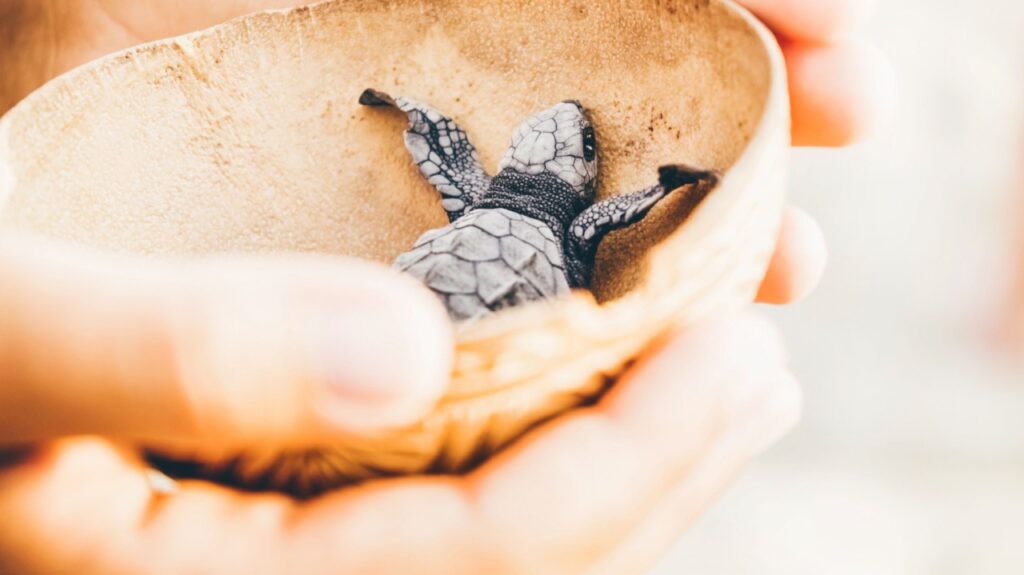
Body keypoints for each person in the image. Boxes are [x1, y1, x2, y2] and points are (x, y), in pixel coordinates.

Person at [0, 1, 895, 572]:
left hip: (427, 299)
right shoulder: (565, 223)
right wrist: (671, 187)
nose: (567, 149)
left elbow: (450, 152)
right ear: (570, 177)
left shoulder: (489, 197)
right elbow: (599, 222)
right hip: (448, 326)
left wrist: (410, 110)